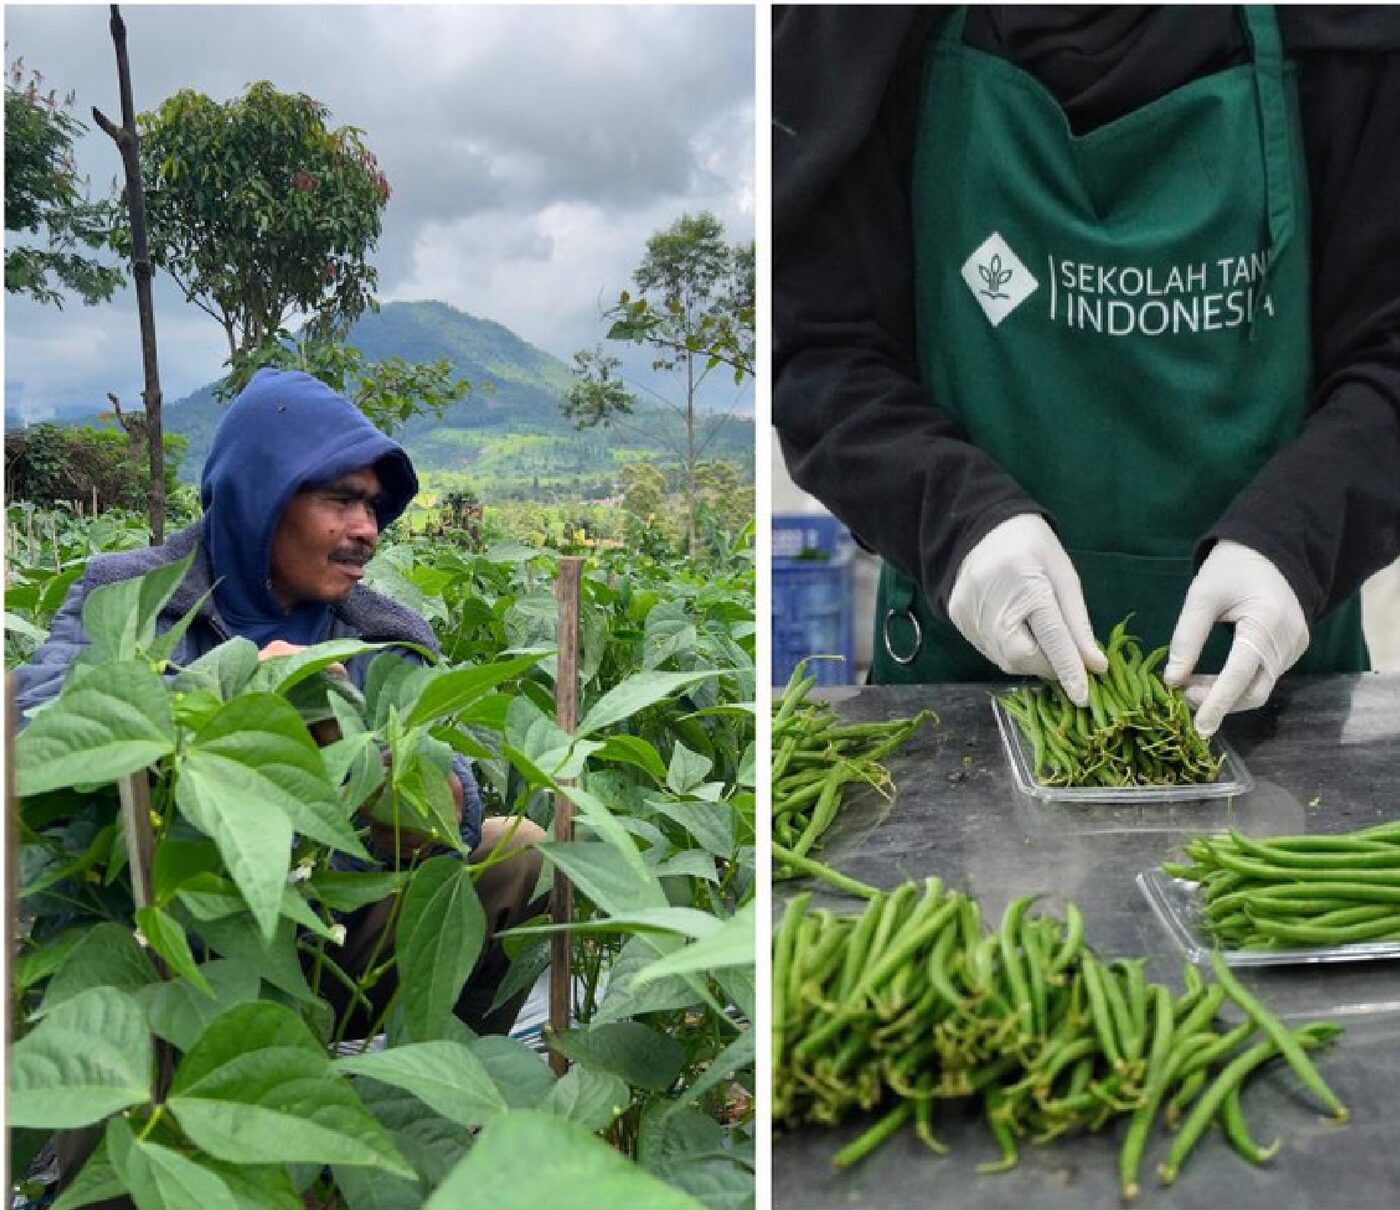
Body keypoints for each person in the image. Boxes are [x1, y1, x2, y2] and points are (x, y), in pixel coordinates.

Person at [773, 6, 1400, 736]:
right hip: (968, 709)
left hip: (1281, 709)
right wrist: (951, 519)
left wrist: (1303, 535)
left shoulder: (1345, 29)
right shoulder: (861, 32)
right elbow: (822, 350)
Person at [11, 366, 547, 1036]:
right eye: (342, 500)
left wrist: (386, 771)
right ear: (260, 493)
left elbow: (456, 807)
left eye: (375, 508)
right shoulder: (126, 594)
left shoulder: (384, 635)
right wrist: (232, 694)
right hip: (166, 931)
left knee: (519, 853)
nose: (367, 530)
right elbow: (35, 733)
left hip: (323, 932)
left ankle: (452, 1087)